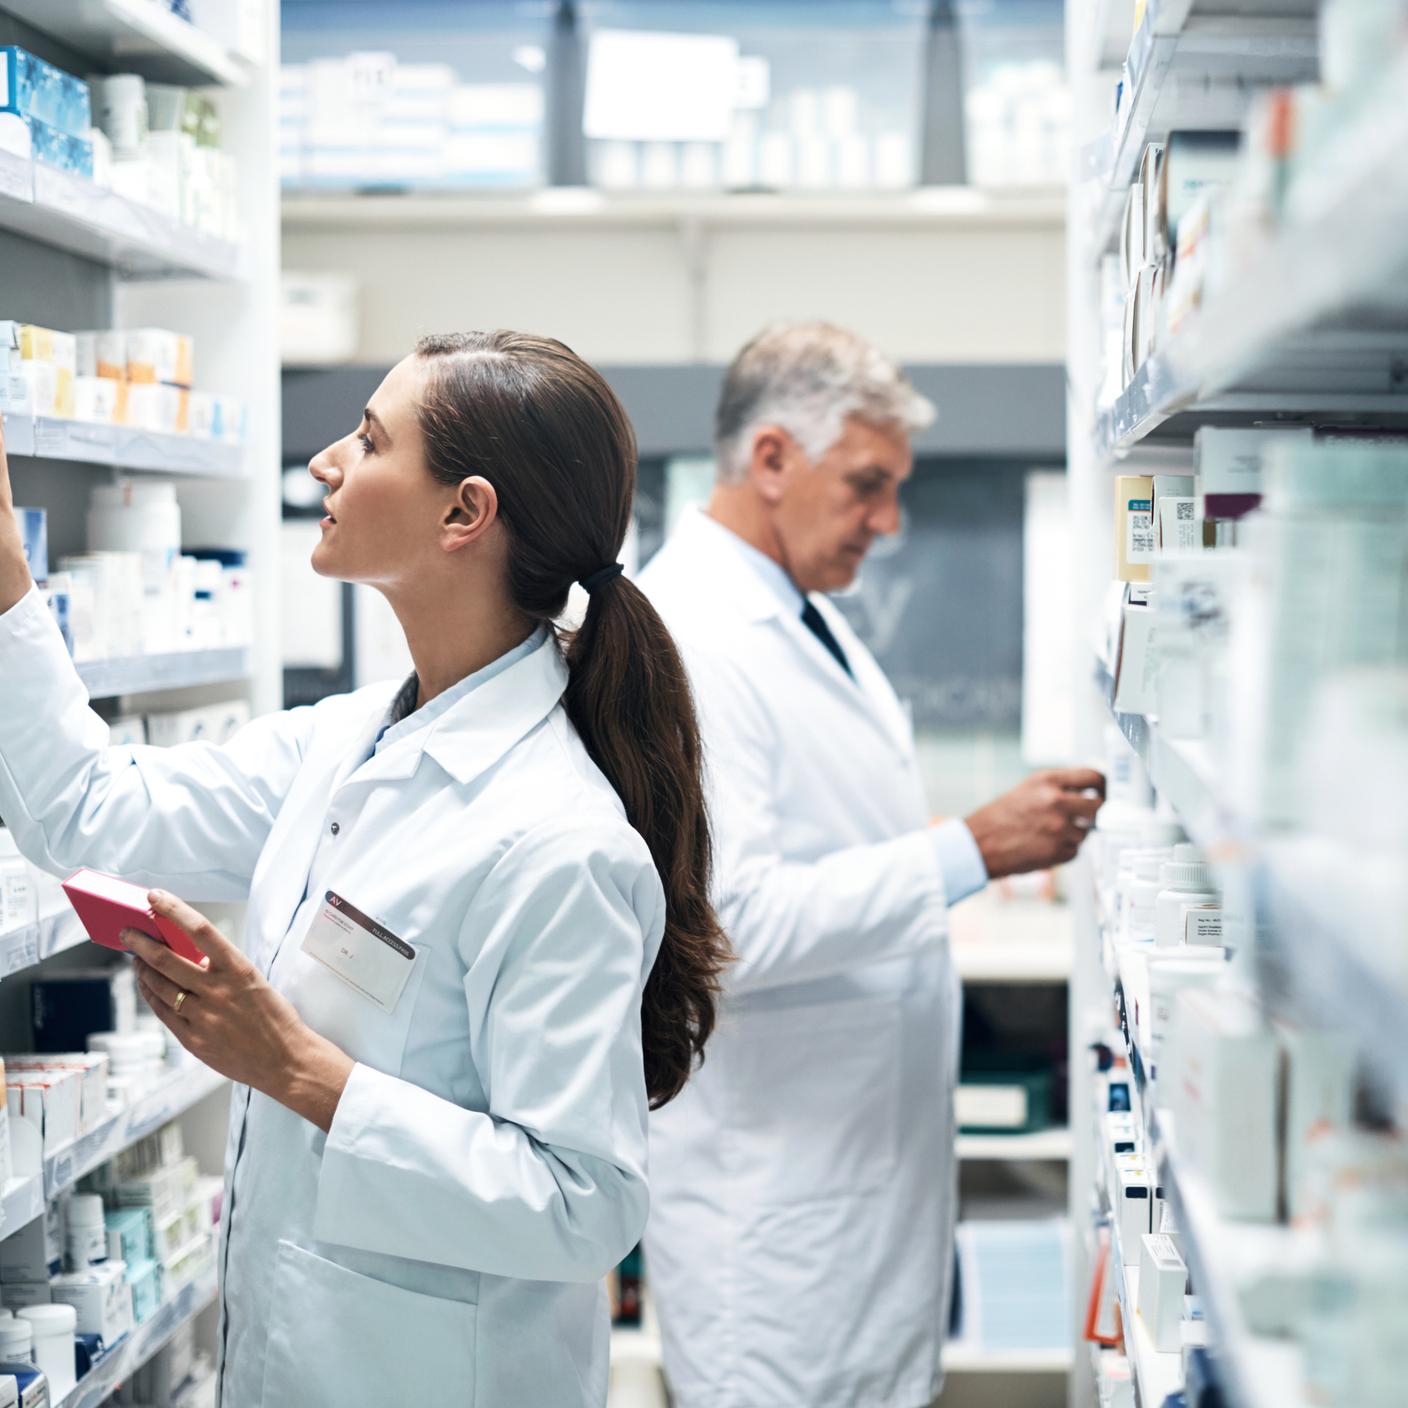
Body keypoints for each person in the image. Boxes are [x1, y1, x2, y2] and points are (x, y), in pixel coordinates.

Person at [0, 331, 729, 1407]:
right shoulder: (346, 746)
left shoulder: (557, 839)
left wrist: (300, 1069)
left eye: (370, 439)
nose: (324, 463)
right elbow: (86, 811)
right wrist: (10, 588)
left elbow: (586, 1202)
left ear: (463, 513)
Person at [637, 322, 1104, 1408]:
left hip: (850, 1185)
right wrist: (970, 848)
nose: (888, 522)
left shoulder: (800, 614)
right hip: (777, 1213)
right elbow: (728, 926)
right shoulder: (696, 635)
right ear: (769, 460)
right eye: (866, 486)